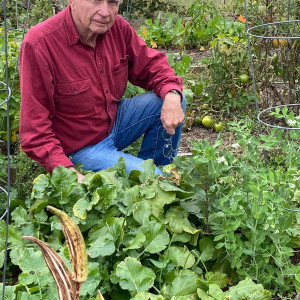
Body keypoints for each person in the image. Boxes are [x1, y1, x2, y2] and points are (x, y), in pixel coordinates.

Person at [19, 0, 185, 182]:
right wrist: (66, 171)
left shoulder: (116, 28)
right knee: (152, 177)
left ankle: (153, 175)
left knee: (173, 97)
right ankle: (149, 179)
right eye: (95, 1)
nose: (105, 12)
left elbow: (151, 65)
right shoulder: (40, 44)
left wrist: (172, 94)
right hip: (80, 147)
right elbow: (34, 129)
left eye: (112, 2)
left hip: (115, 123)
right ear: (72, 1)